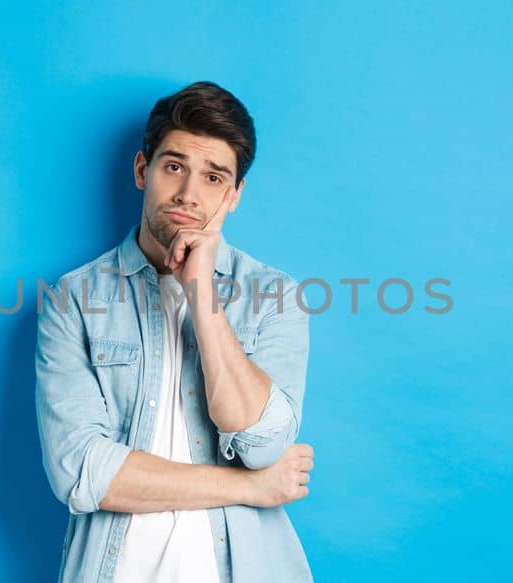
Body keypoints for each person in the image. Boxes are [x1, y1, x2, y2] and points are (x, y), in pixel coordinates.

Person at [35, 81, 315, 582]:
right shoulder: (73, 299)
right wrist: (251, 488)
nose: (189, 194)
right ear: (143, 170)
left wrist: (202, 295)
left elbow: (263, 445)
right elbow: (81, 472)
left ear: (234, 196)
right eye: (174, 167)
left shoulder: (276, 295)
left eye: (212, 178)